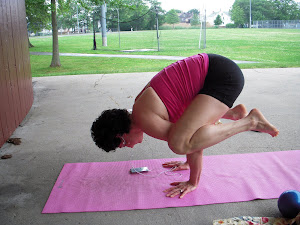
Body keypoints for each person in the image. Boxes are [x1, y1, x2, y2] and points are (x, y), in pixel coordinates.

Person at [91, 53, 279, 199]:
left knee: (179, 144)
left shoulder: (144, 119)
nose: (130, 146)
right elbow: (185, 122)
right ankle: (233, 113)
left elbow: (191, 141)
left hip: (221, 77)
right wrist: (188, 163)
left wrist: (192, 182)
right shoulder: (140, 109)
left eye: (123, 143)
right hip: (217, 71)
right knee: (181, 137)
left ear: (120, 133)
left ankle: (250, 121)